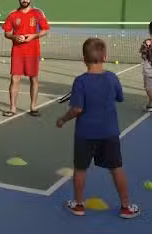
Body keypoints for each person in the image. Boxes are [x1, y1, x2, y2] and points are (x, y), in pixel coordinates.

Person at [56, 38, 140, 219]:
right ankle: (126, 207)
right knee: (116, 167)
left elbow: (77, 109)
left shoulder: (80, 81)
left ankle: (79, 205)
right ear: (105, 57)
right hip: (109, 133)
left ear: (83, 58)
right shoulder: (112, 78)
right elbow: (120, 97)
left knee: (80, 169)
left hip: (85, 135)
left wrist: (63, 119)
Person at [2, 0, 49, 116]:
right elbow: (7, 33)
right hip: (17, 52)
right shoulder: (12, 15)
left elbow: (45, 29)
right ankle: (12, 108)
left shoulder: (37, 14)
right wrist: (14, 37)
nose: (25, 0)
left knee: (34, 79)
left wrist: (33, 36)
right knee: (14, 79)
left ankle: (33, 107)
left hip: (33, 52)